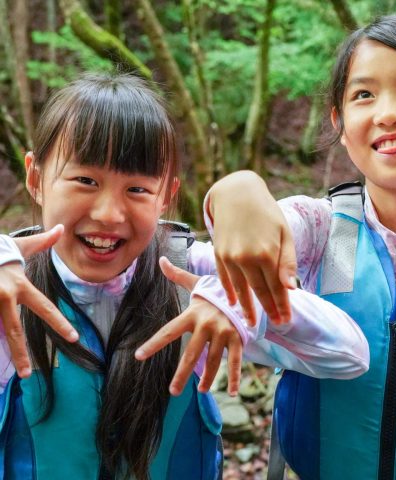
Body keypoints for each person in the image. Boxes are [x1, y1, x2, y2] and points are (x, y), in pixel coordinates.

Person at [0, 73, 369, 479]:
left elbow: (349, 354)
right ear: (35, 179)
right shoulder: (9, 291)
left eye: (137, 189)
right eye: (85, 181)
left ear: (166, 197)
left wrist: (241, 306)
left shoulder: (194, 277)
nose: (108, 214)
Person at [205, 14, 396, 480]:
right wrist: (235, 190)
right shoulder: (319, 230)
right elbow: (258, 226)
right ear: (341, 123)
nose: (388, 113)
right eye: (364, 95)